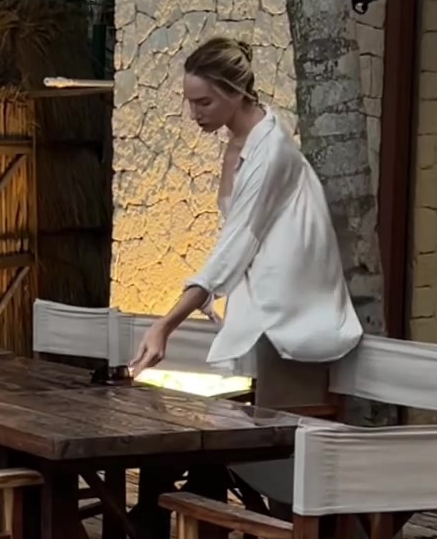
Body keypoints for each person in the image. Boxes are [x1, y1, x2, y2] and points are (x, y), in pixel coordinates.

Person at [129, 36, 361, 409]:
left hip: (290, 322)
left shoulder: (271, 152)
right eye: (190, 102)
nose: (194, 114)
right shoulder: (241, 139)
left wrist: (165, 325)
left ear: (236, 93)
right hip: (257, 318)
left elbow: (235, 247)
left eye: (203, 102)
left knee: (279, 438)